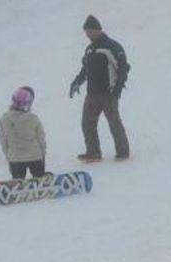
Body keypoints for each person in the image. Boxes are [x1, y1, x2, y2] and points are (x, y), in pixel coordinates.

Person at [69, 15, 130, 162]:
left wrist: (117, 91)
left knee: (114, 123)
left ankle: (123, 152)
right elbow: (86, 69)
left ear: (97, 30)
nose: (87, 35)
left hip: (108, 93)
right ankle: (93, 152)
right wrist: (76, 82)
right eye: (86, 32)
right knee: (87, 123)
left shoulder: (113, 46)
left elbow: (123, 68)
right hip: (92, 94)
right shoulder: (89, 49)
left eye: (89, 31)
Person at [0, 86, 47, 180]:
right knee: (39, 177)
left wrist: (8, 155)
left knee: (18, 180)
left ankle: (18, 188)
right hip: (35, 157)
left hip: (15, 158)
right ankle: (41, 184)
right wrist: (42, 155)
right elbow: (41, 139)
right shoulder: (33, 119)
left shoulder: (4, 119)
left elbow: (3, 140)